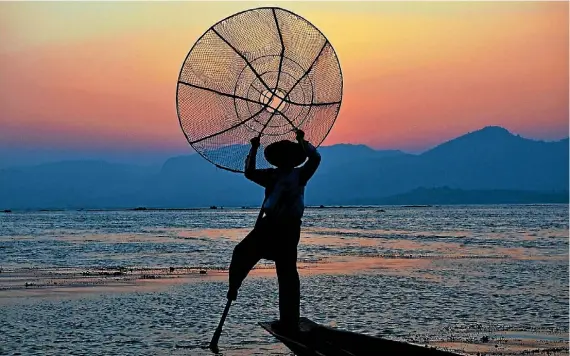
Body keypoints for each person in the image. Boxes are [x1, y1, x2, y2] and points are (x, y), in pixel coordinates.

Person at [226, 129, 321, 331]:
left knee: (286, 274)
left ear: (293, 159)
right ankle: (233, 287)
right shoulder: (271, 175)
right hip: (268, 226)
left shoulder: (300, 175)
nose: (285, 160)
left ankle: (289, 320)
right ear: (277, 160)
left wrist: (303, 141)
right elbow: (249, 173)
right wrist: (253, 148)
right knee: (241, 252)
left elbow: (315, 157)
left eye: (288, 157)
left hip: (288, 228)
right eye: (282, 157)